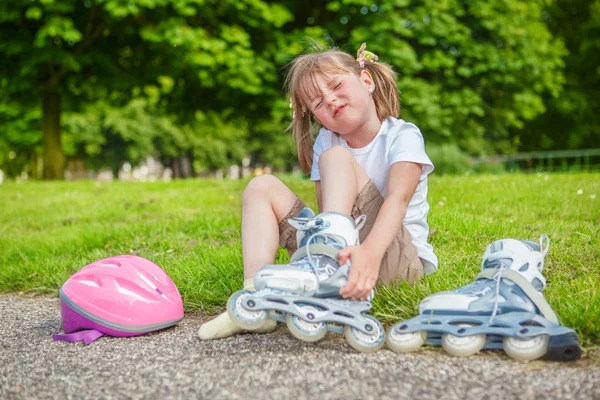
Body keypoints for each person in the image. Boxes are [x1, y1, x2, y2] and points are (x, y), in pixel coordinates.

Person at [198, 43, 438, 341]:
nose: (331, 100)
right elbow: (331, 215)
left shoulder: (402, 135)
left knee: (336, 158)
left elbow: (397, 200)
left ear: (366, 81)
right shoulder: (327, 140)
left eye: (337, 85)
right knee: (262, 186)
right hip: (342, 253)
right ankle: (256, 300)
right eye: (318, 104)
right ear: (316, 117)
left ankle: (323, 270)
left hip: (395, 261)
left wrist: (370, 253)